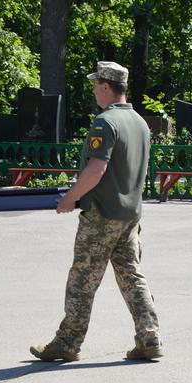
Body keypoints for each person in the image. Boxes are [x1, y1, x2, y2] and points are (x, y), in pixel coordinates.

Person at [30, 61, 162, 363]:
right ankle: (150, 337)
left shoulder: (105, 123)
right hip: (130, 215)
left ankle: (67, 343)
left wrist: (69, 198)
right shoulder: (140, 123)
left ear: (105, 86)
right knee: (132, 276)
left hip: (101, 214)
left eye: (95, 85)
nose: (93, 91)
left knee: (82, 280)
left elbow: (96, 170)